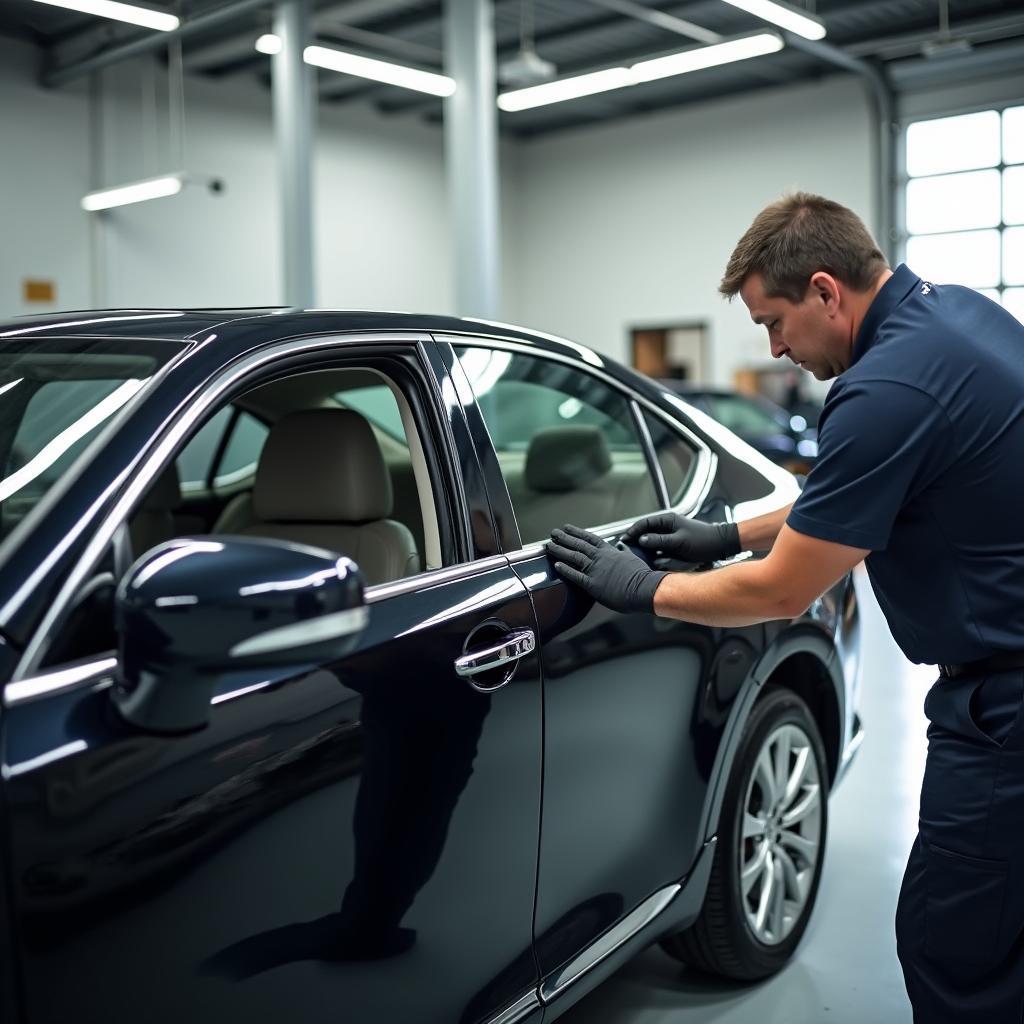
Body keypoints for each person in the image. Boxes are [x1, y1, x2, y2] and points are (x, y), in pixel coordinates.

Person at [547, 192, 1024, 1024]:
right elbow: (868, 491)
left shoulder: (883, 388)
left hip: (1008, 708)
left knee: (958, 948)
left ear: (826, 292)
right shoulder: (958, 321)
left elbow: (782, 589)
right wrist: (723, 531)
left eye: (775, 322)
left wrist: (645, 588)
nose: (775, 348)